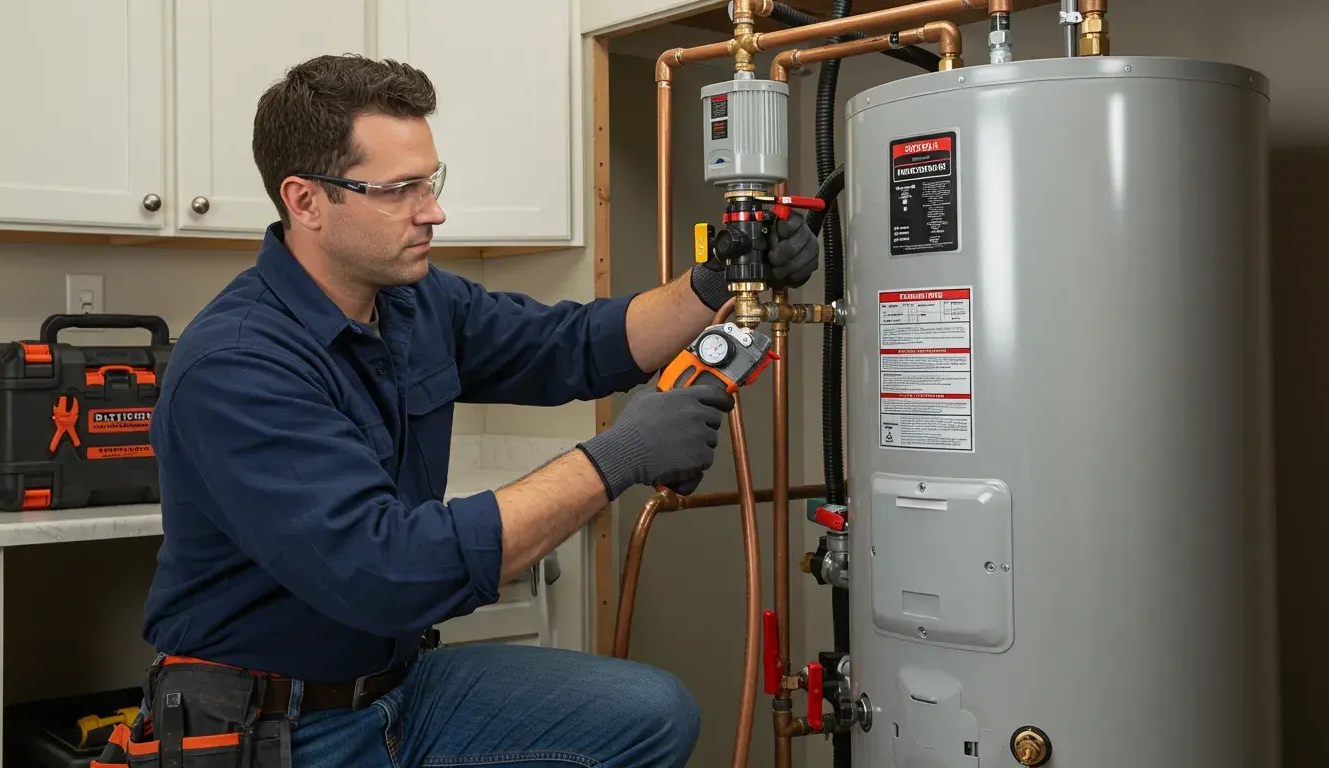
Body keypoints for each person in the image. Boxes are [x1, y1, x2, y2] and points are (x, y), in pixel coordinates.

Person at [133, 53, 820, 768]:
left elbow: (573, 344)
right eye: (399, 190)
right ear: (305, 201)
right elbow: (392, 572)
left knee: (650, 715)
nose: (432, 209)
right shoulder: (238, 363)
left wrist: (717, 280)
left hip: (401, 689)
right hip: (280, 727)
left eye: (429, 181)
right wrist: (618, 455)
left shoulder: (412, 301)